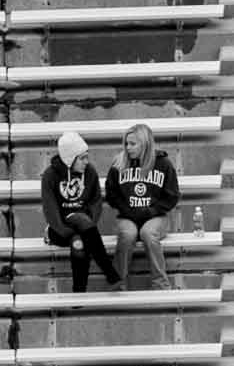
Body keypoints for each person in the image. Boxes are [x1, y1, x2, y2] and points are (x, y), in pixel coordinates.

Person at [40, 131, 120, 293]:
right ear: (70, 159)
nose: (86, 162)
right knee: (78, 229)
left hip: (85, 229)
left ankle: (79, 292)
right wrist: (65, 231)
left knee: (79, 242)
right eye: (82, 158)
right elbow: (50, 209)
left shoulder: (90, 172)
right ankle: (109, 272)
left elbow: (96, 201)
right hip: (59, 229)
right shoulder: (50, 175)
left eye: (87, 157)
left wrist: (88, 223)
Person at [105, 123, 181, 290]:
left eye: (133, 144)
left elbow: (172, 196)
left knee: (148, 233)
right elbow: (111, 195)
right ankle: (118, 284)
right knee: (127, 234)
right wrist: (128, 211)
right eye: (126, 143)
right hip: (127, 217)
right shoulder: (119, 163)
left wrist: (151, 211)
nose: (128, 148)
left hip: (155, 217)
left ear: (145, 144)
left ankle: (160, 284)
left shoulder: (163, 164)